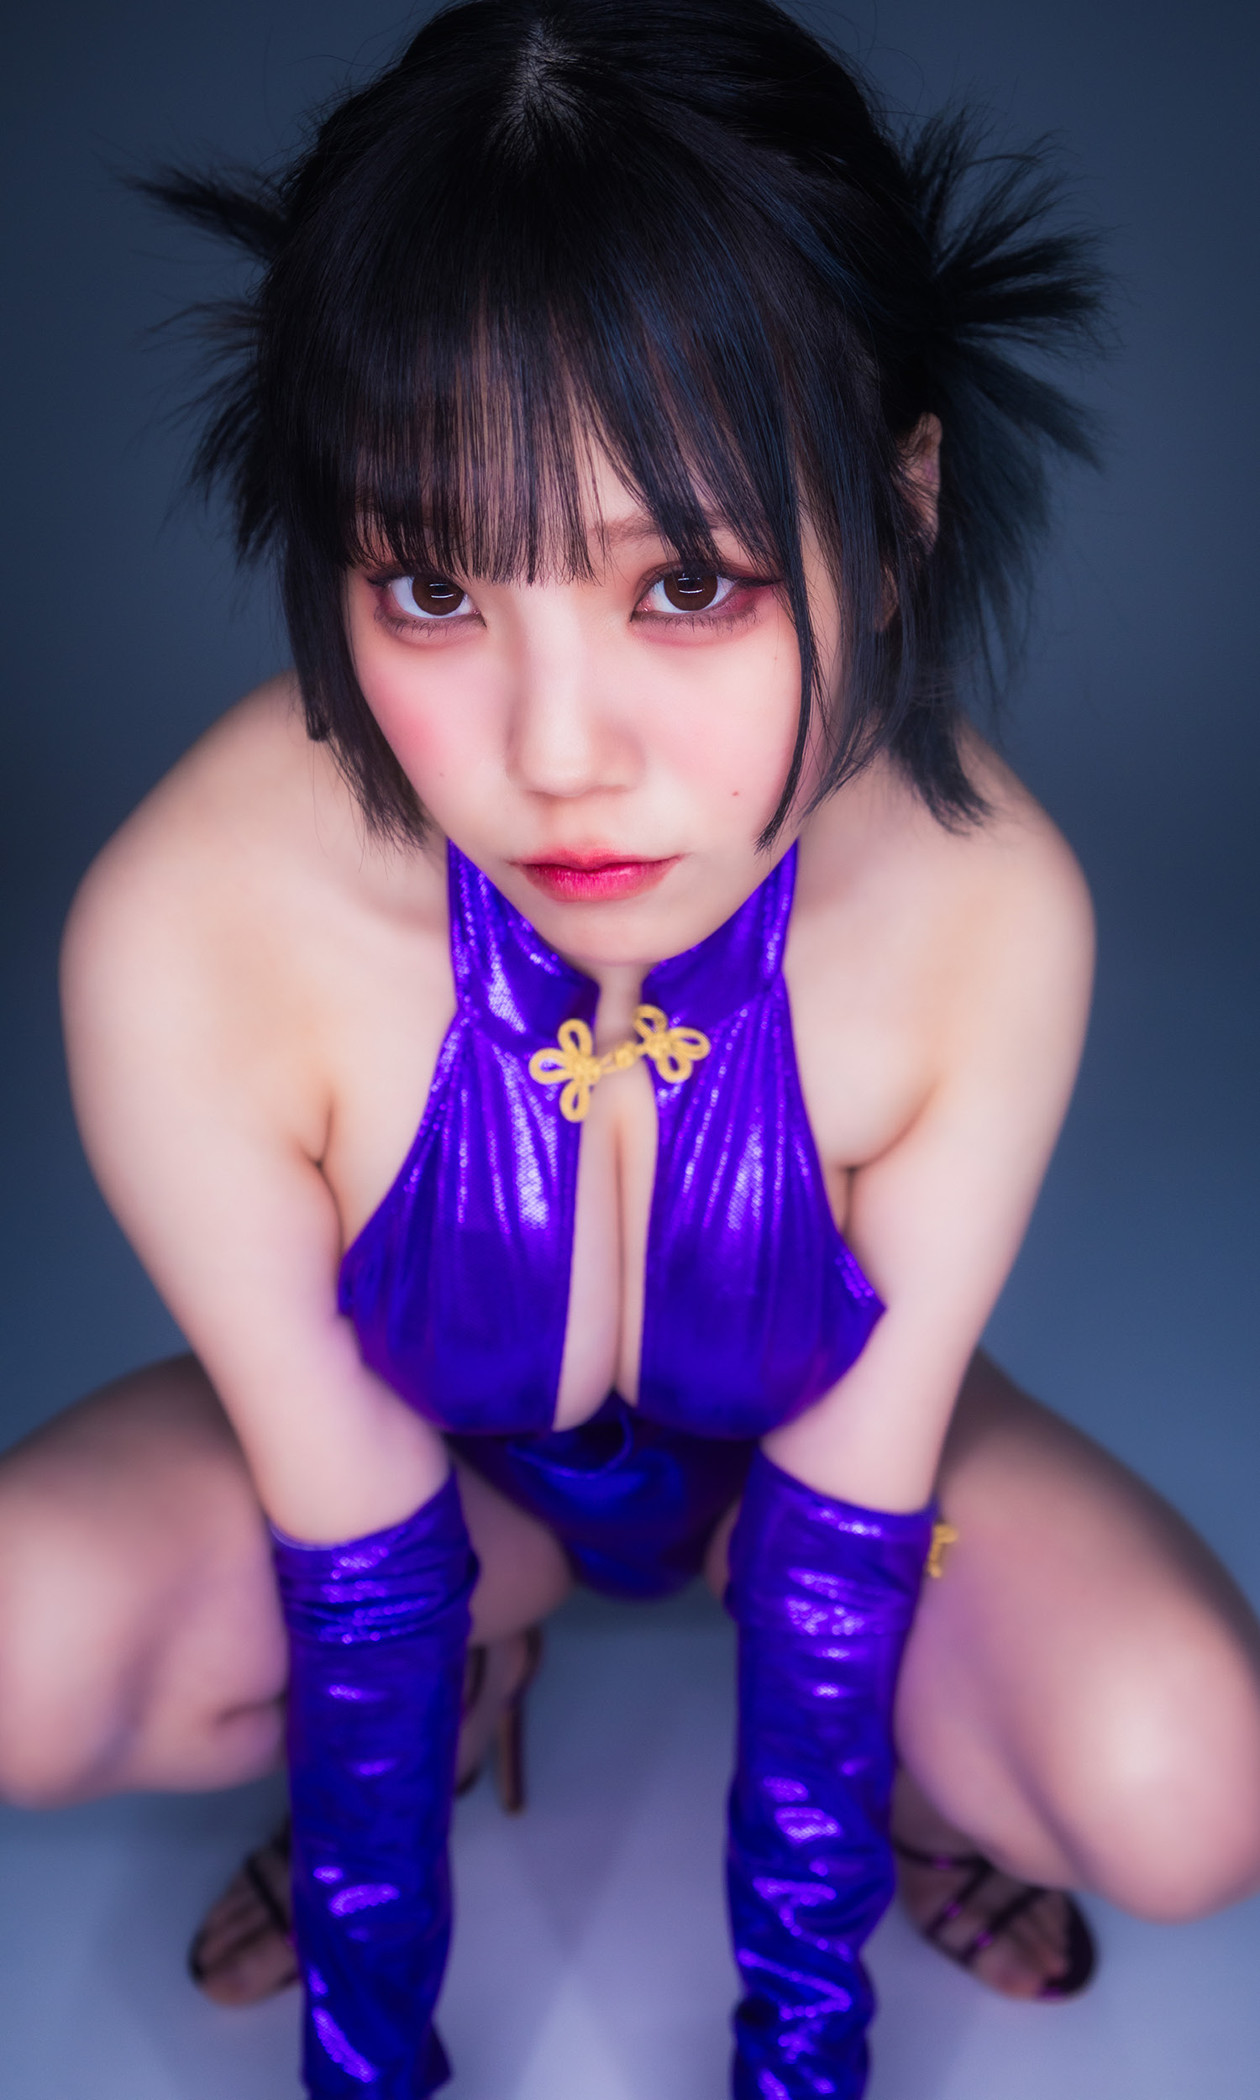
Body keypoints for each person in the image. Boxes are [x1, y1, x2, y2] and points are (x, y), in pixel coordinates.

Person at [2, 1, 1259, 2093]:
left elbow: (847, 1537)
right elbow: (359, 1553)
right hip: (431, 1504)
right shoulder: (189, 929)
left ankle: (909, 1784)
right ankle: (462, 1700)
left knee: (1189, 1785)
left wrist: (804, 2062)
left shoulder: (986, 912)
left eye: (686, 584)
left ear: (901, 514)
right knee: (20, 1646)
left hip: (812, 1494)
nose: (558, 755)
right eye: (430, 586)